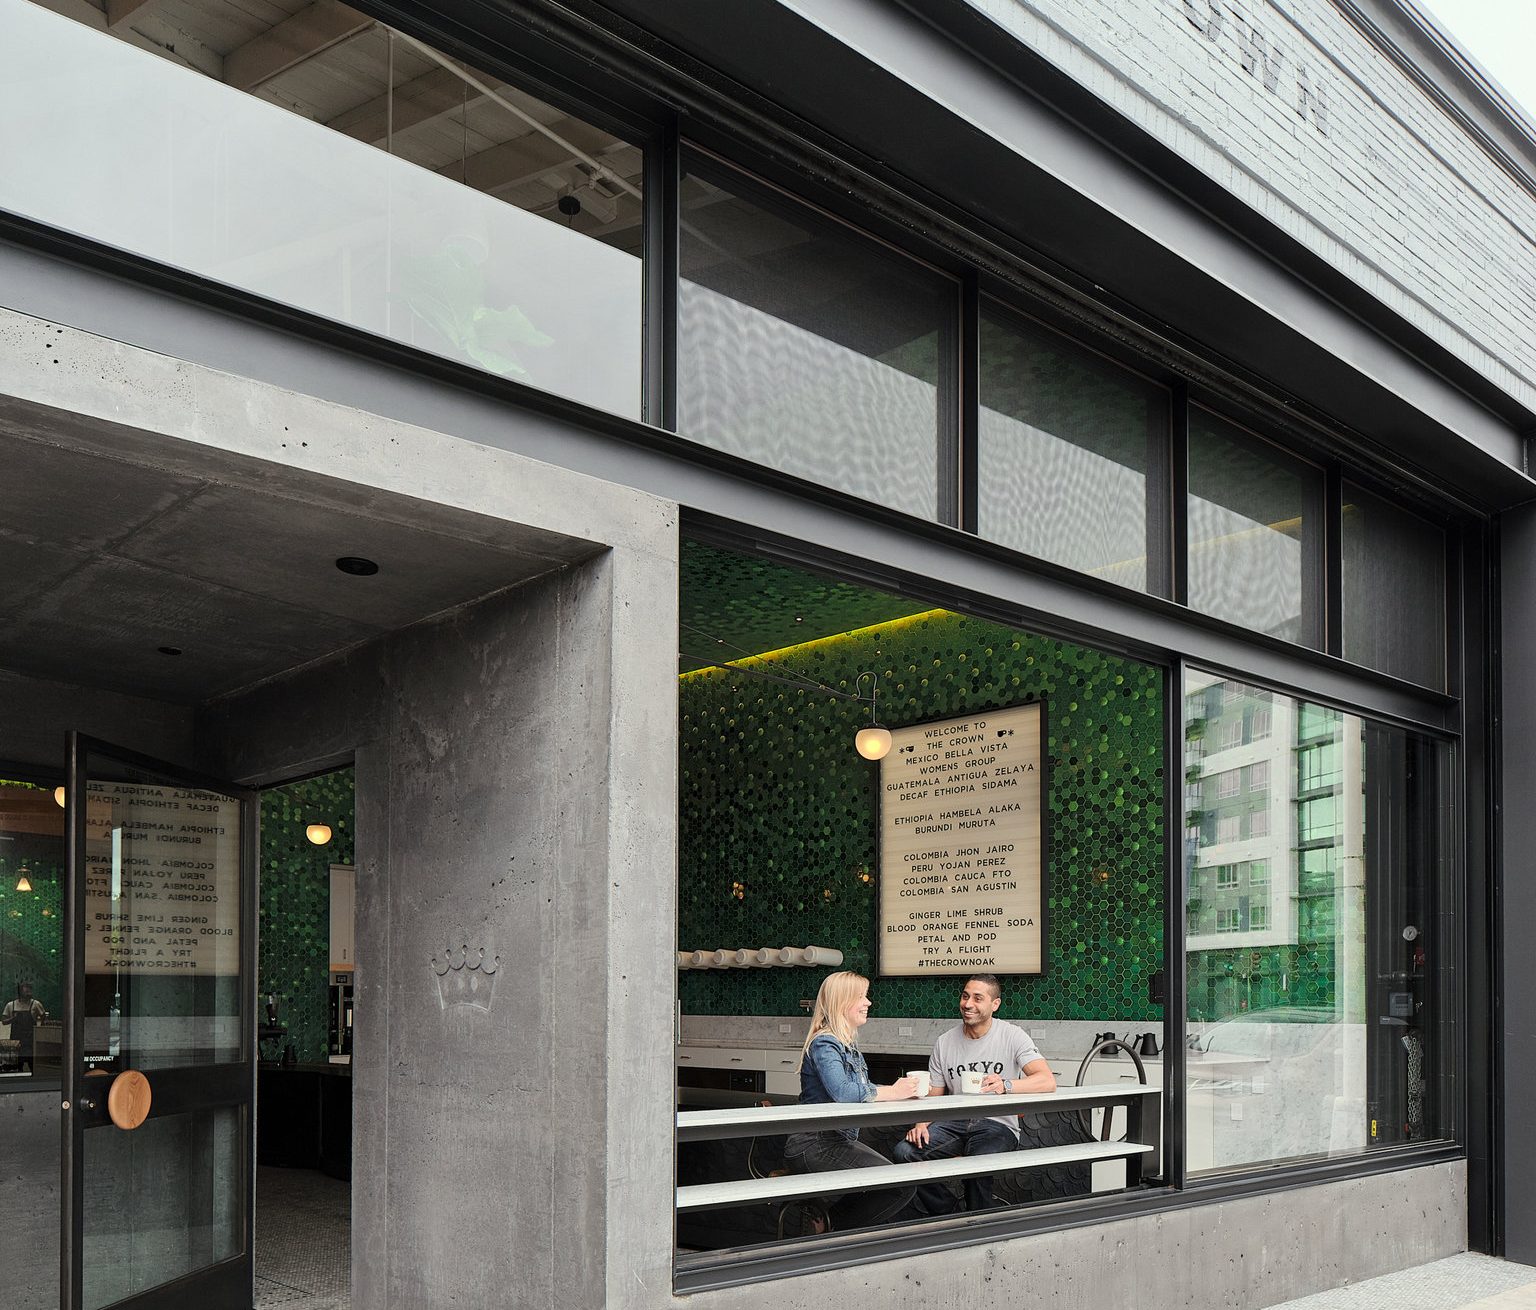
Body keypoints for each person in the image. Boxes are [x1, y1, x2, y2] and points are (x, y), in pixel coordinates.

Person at [893, 973, 1055, 1213]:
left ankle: (980, 1223)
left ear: (995, 1004)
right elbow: (936, 1093)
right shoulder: (945, 1042)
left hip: (997, 1124)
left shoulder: (1012, 1035)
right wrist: (921, 1123)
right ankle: (951, 1214)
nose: (968, 1004)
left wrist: (1005, 1085)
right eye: (965, 996)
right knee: (904, 1153)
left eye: (978, 998)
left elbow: (1046, 1080)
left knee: (977, 1164)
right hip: (952, 1121)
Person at [784, 970, 921, 1232]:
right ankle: (830, 1231)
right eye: (862, 996)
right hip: (814, 1144)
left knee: (900, 1184)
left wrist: (898, 1090)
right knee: (900, 1186)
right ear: (842, 1003)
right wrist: (892, 1092)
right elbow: (844, 1092)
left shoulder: (847, 1046)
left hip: (836, 1141)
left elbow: (861, 1089)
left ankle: (828, 1227)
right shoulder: (825, 1043)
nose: (868, 1003)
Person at [3, 982, 46, 1073]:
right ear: (20, 992)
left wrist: (39, 1027)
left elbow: (43, 1016)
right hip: (16, 1039)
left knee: (32, 1063)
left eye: (30, 989)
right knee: (16, 1064)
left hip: (30, 1040)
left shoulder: (36, 1004)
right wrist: (13, 1018)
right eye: (26, 990)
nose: (29, 992)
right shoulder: (11, 1005)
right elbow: (4, 1022)